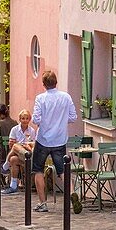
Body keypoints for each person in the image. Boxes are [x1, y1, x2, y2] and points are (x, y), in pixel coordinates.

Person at [30, 69, 79, 214]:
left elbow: (36, 119)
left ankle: (42, 202)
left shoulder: (41, 98)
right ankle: (71, 194)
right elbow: (73, 117)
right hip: (60, 139)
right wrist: (61, 121)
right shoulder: (66, 97)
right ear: (56, 82)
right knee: (62, 170)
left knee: (38, 169)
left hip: (43, 139)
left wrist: (44, 122)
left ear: (44, 84)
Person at [4, 109, 37, 194]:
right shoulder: (14, 129)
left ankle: (6, 164)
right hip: (18, 154)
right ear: (20, 119)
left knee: (16, 146)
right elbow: (11, 144)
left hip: (28, 154)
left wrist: (26, 146)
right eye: (23, 118)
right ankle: (13, 185)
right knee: (13, 159)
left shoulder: (32, 131)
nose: (25, 120)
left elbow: (33, 144)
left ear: (29, 120)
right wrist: (18, 145)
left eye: (27, 118)